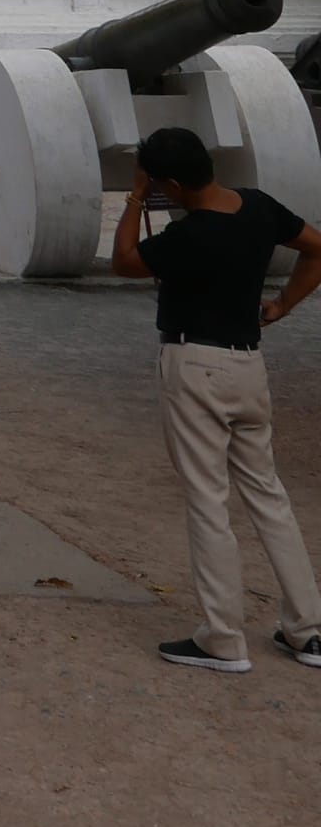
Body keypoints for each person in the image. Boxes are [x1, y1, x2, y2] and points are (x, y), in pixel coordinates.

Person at [111, 124, 321, 672]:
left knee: (208, 500)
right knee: (268, 496)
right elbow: (317, 250)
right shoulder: (258, 207)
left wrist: (134, 197)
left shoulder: (187, 235)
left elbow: (124, 259)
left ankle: (222, 638)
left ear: (171, 186)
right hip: (248, 364)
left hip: (193, 364)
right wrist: (283, 304)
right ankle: (307, 630)